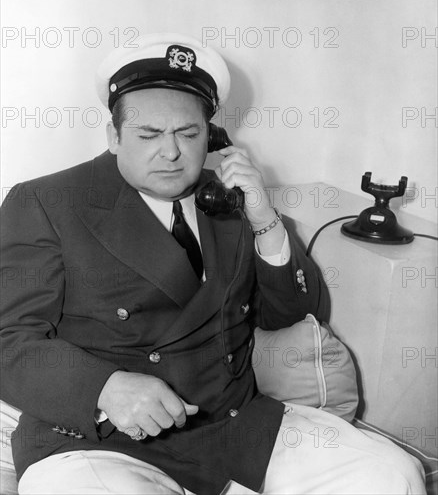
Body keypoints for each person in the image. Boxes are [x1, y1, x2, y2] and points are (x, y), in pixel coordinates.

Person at [0, 33, 425, 495]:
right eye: (148, 135)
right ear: (113, 136)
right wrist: (105, 388)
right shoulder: (47, 202)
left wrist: (264, 219)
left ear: (212, 136)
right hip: (99, 439)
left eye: (188, 134)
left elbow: (293, 313)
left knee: (390, 476)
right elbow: (9, 340)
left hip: (232, 425)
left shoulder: (229, 201)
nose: (171, 152)